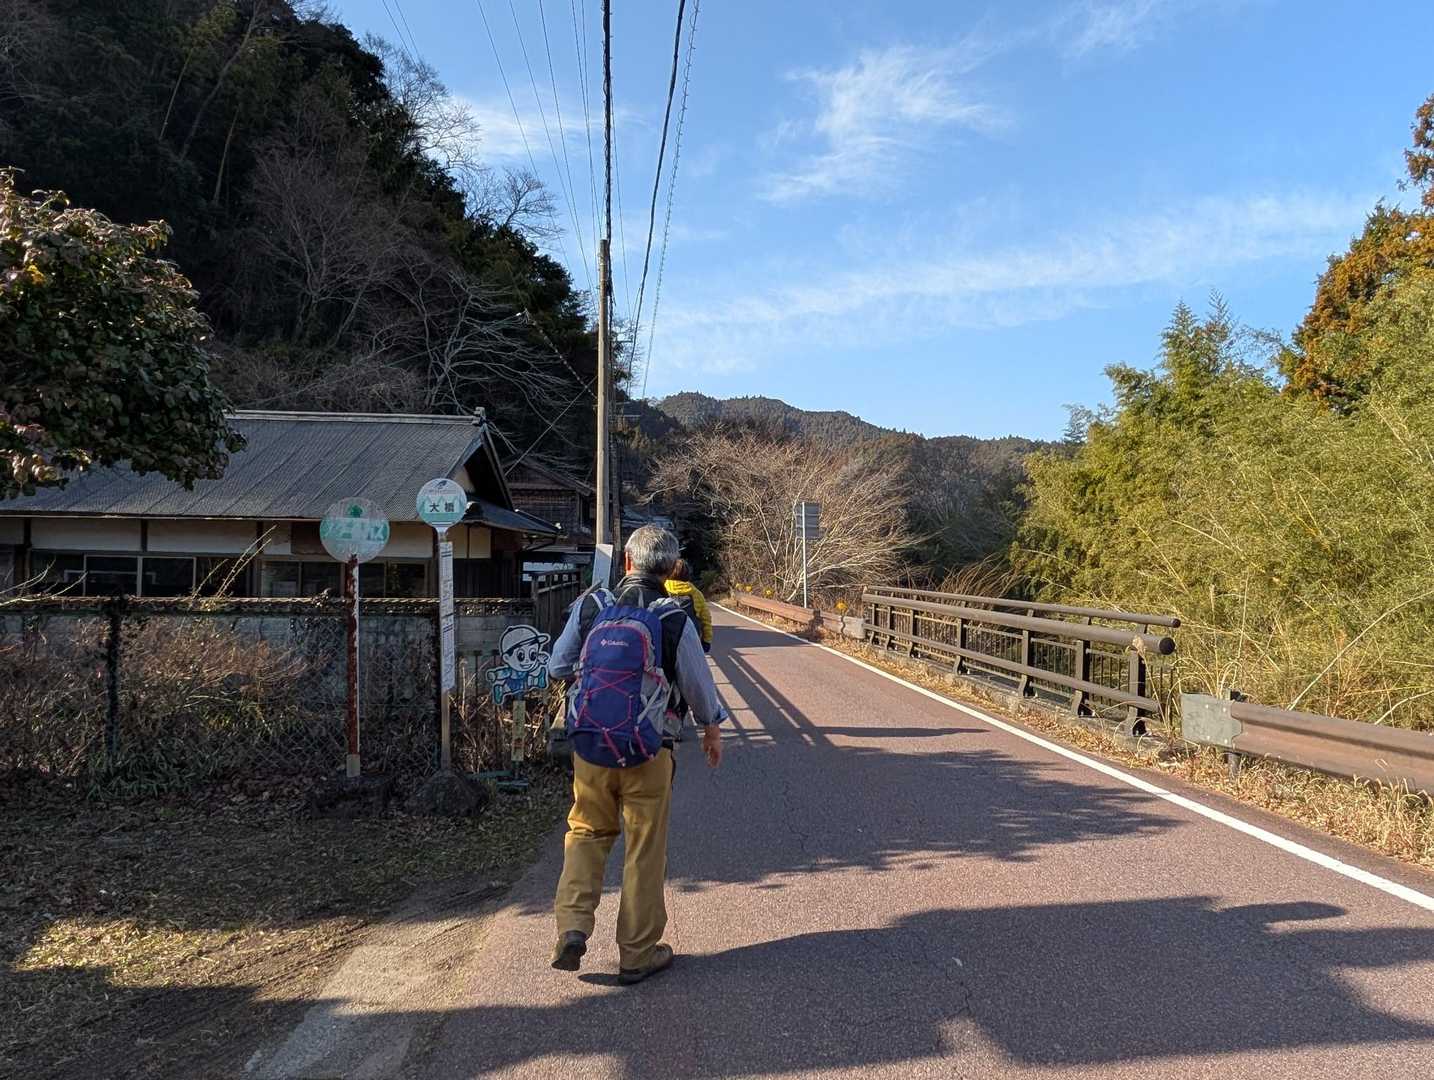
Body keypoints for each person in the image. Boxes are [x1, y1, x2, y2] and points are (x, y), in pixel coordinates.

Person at [546, 525, 727, 984]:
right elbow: (698, 685)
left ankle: (572, 927)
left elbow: (558, 665)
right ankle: (636, 953)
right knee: (644, 848)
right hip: (650, 749)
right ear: (671, 569)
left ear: (627, 562)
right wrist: (711, 730)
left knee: (586, 831)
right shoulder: (674, 618)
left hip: (591, 746)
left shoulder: (593, 605)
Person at [664, 559, 713, 654]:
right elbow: (706, 619)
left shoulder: (662, 589)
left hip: (667, 641)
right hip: (691, 639)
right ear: (687, 574)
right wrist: (706, 640)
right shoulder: (696, 593)